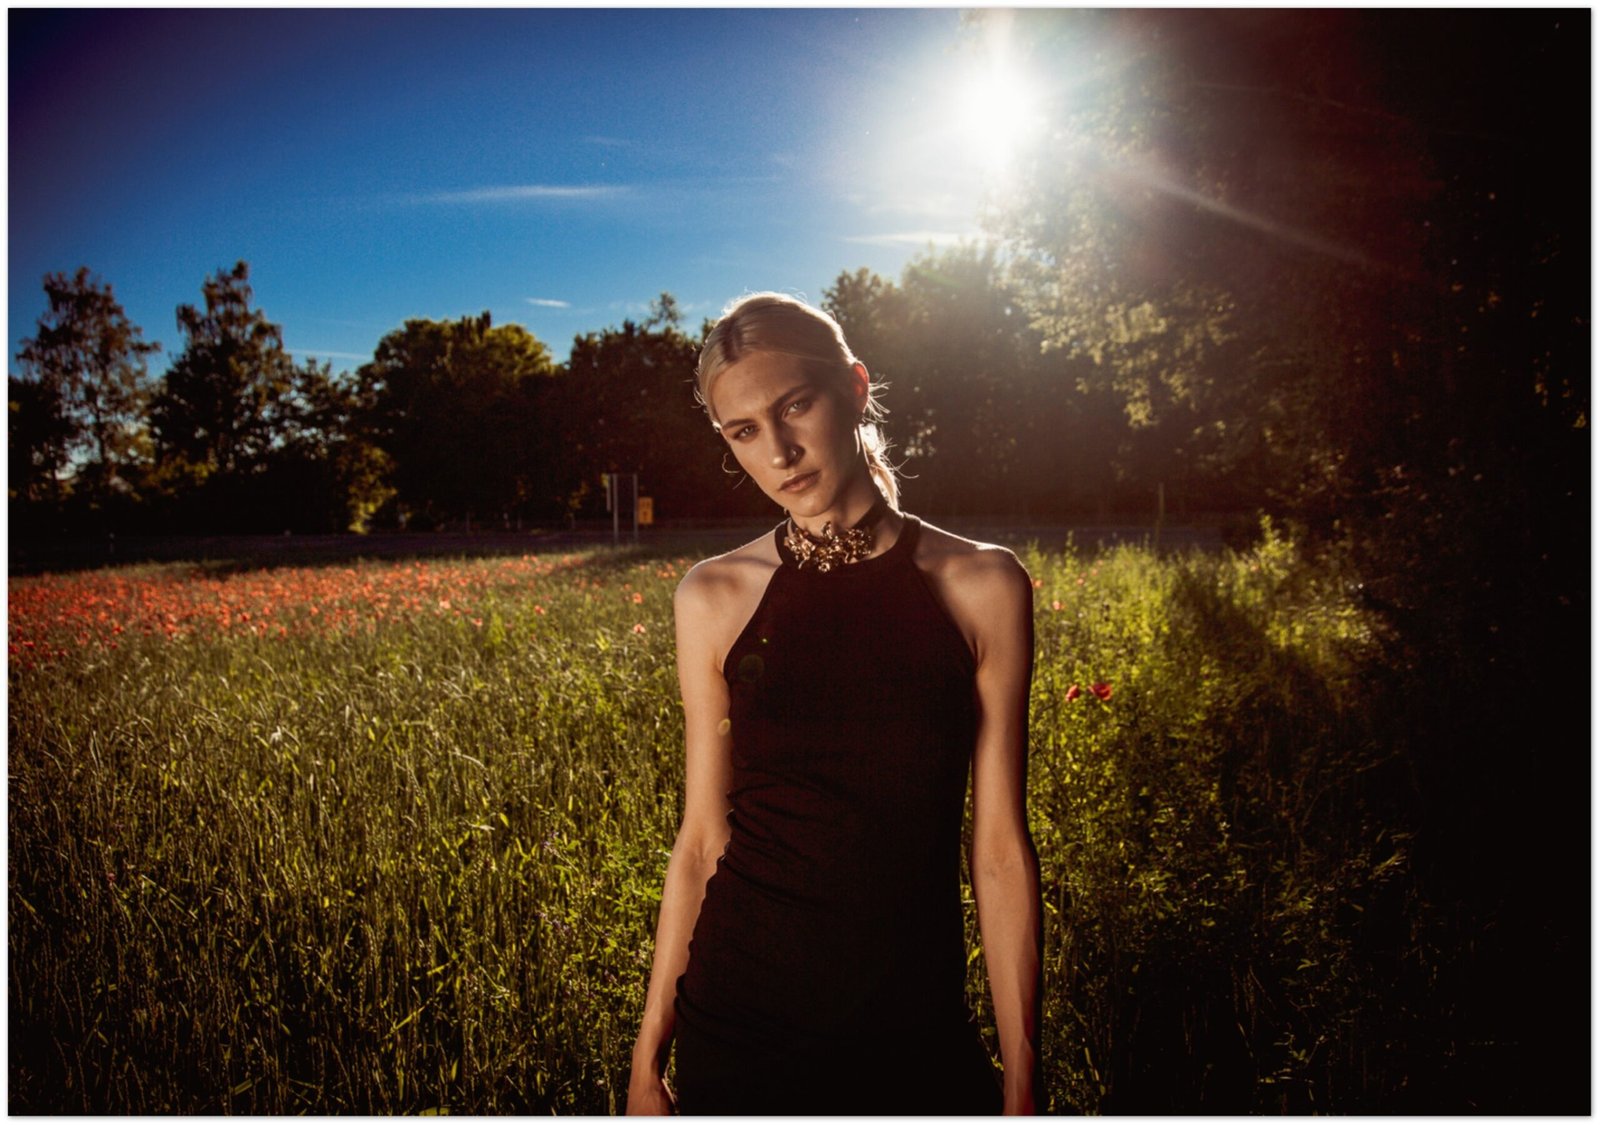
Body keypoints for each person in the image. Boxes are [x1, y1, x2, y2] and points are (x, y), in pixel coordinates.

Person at [626, 293, 1042, 1115]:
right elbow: (703, 839)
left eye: (795, 405)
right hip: (739, 1029)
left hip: (913, 1036)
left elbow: (998, 851)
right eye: (743, 431)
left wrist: (1025, 1082)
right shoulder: (713, 595)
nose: (778, 449)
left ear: (853, 387)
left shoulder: (983, 584)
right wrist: (645, 1063)